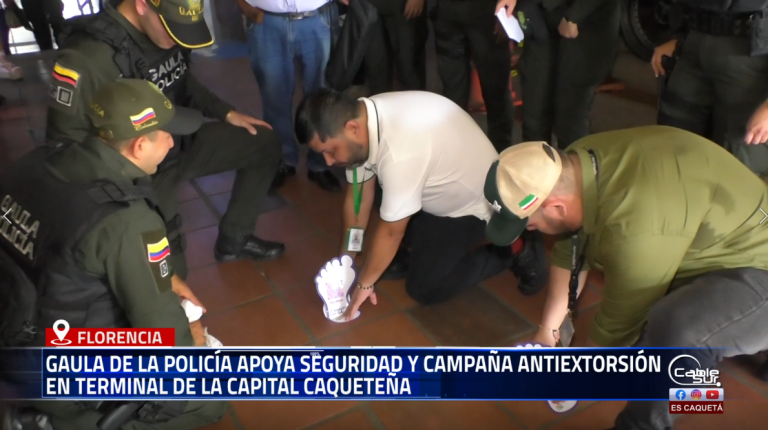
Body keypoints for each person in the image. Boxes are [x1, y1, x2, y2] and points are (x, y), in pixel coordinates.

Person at [483, 125, 768, 430]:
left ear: (556, 206)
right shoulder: (575, 163)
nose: (528, 229)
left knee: (678, 332)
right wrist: (547, 334)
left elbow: (620, 324)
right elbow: (571, 248)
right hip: (706, 238)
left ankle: (643, 424)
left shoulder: (638, 229)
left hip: (758, 262)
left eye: (530, 223)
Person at [0, 78, 226, 429]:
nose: (171, 140)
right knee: (211, 393)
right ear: (138, 146)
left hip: (16, 331)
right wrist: (194, 346)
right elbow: (162, 330)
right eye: (164, 134)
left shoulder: (39, 161)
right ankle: (70, 421)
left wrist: (162, 274)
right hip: (62, 368)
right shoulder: (126, 219)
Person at [45, 0, 286, 279]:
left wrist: (227, 113)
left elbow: (180, 80)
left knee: (263, 141)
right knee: (169, 276)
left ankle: (236, 237)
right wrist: (126, 183)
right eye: (172, 29)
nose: (177, 39)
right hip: (136, 172)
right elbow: (63, 146)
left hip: (177, 140)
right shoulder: (87, 57)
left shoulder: (169, 33)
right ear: (141, 5)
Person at [294, 89, 548, 319]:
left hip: (474, 206)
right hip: (435, 187)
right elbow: (358, 197)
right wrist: (346, 263)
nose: (328, 162)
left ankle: (513, 248)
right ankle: (411, 250)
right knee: (385, 198)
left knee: (425, 288)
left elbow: (391, 232)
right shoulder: (365, 118)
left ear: (352, 128)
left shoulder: (400, 150)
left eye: (330, 151)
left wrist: (363, 284)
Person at [653, 0, 768, 178]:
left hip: (751, 55)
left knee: (739, 166)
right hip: (695, 43)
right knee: (673, 144)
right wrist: (678, 38)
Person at [237, 0, 342, 192]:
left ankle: (320, 161)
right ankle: (282, 159)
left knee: (322, 97)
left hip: (317, 16)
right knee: (274, 96)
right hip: (265, 21)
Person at [498, 0, 620, 148]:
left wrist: (574, 15)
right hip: (539, 19)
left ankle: (575, 169)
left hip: (583, 24)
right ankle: (537, 168)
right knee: (534, 114)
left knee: (569, 120)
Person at [432, 0, 514, 153]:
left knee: (496, 95)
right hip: (447, 16)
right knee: (453, 98)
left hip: (490, 15)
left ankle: (501, 158)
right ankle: (456, 158)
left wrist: (510, 9)